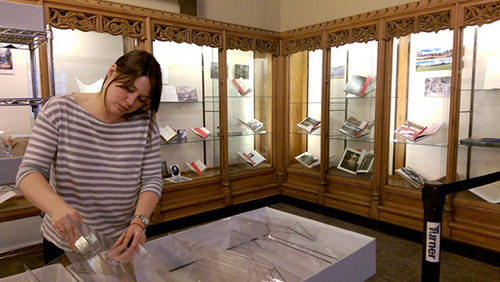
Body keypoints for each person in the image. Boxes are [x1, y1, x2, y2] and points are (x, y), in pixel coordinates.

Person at [15, 50, 164, 264]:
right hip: (68, 240)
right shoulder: (59, 110)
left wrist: (139, 222)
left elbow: (152, 179)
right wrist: (56, 207)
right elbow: (29, 172)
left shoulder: (144, 125)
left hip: (120, 241)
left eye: (141, 99)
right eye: (127, 89)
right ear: (112, 72)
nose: (130, 102)